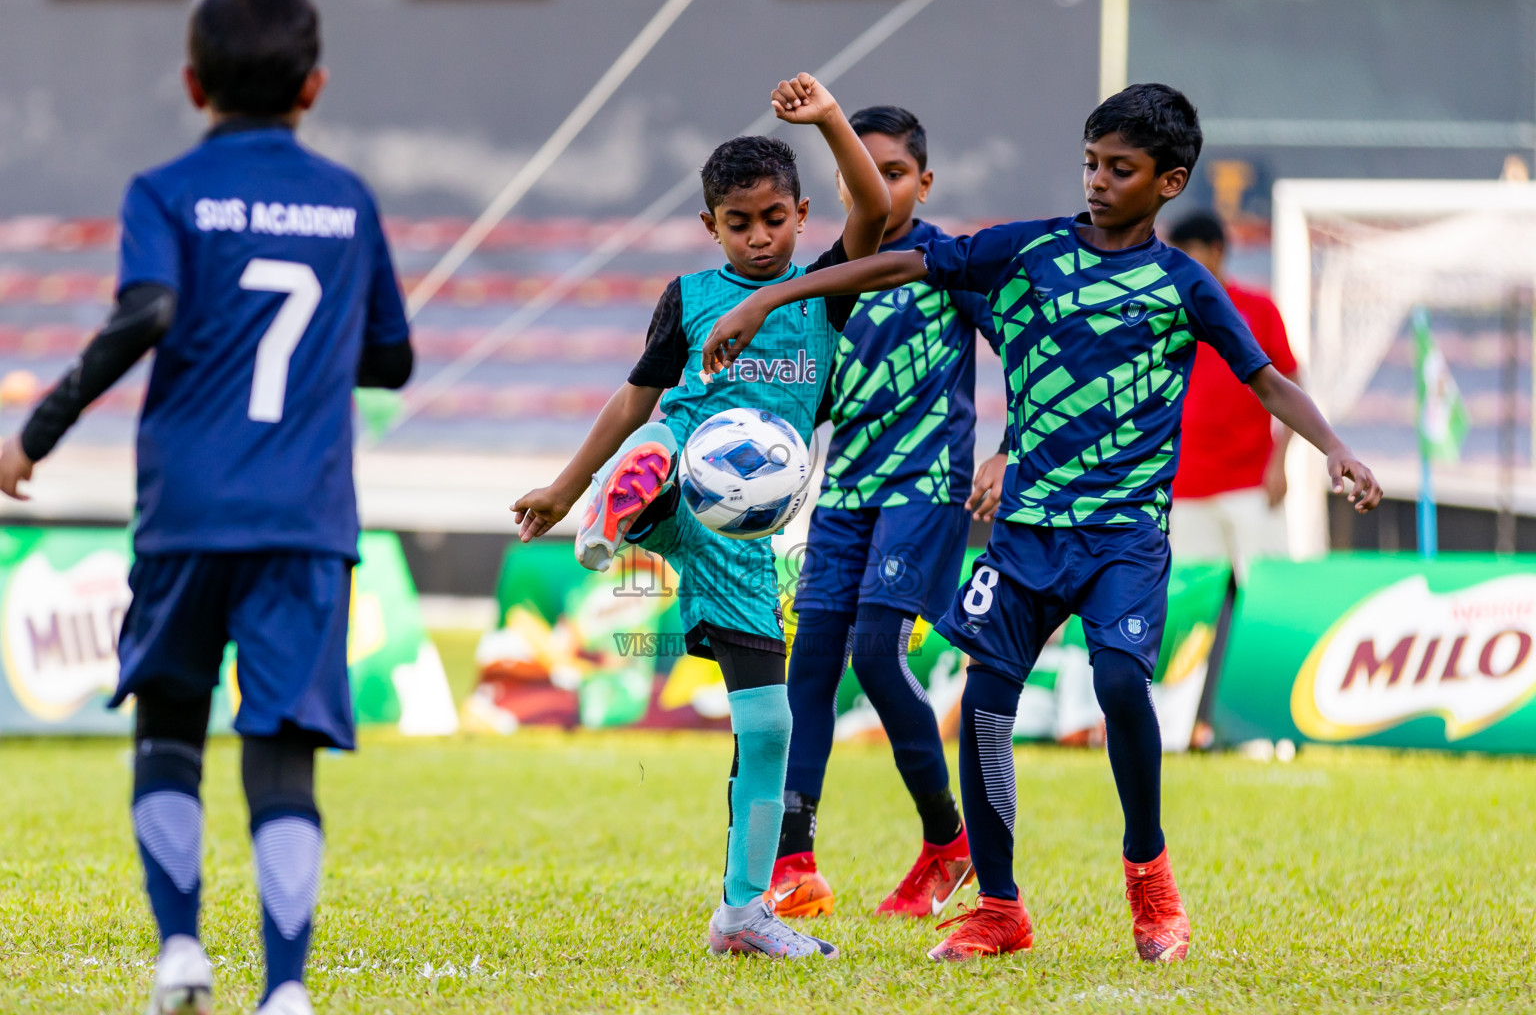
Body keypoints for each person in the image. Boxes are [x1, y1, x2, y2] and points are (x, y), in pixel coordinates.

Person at [698, 82, 1382, 964]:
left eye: (1120, 169)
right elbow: (900, 264)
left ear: (1169, 182)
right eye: (1092, 162)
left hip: (1125, 535)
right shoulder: (1025, 253)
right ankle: (1000, 907)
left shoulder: (1184, 286)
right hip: (1025, 534)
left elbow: (1265, 379)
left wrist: (1335, 448)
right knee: (985, 704)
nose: (1097, 181)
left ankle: (1150, 875)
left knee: (1124, 686)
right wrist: (772, 301)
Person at [0, 0, 414, 1011]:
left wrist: (33, 432)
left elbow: (148, 308)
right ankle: (284, 988)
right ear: (314, 87)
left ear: (193, 84)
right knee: (281, 754)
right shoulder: (347, 200)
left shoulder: (165, 189)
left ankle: (181, 952)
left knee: (171, 728)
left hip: (187, 512)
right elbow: (393, 360)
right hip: (305, 521)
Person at [511, 73, 889, 960]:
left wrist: (832, 117)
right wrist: (567, 485)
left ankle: (744, 913)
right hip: (680, 483)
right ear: (709, 227)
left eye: (772, 219)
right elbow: (634, 394)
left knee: (770, 726)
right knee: (663, 439)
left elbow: (871, 206)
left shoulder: (824, 294)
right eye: (737, 222)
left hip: (746, 539)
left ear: (800, 216)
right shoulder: (689, 298)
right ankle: (626, 499)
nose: (758, 237)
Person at [767, 106, 1001, 922]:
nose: (880, 185)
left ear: (924, 182)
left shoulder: (949, 261)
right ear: (841, 181)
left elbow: (1034, 354)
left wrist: (1010, 453)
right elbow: (807, 391)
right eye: (864, 172)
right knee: (811, 666)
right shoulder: (830, 277)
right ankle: (794, 861)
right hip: (845, 491)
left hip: (927, 486)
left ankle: (949, 841)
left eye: (896, 172)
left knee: (875, 650)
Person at [1167, 212, 1299, 579]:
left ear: (1217, 251)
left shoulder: (1259, 310)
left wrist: (1280, 463)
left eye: (1189, 252)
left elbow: (1291, 386)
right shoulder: (1164, 317)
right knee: (1195, 606)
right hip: (1186, 484)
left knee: (1267, 591)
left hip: (1251, 480)